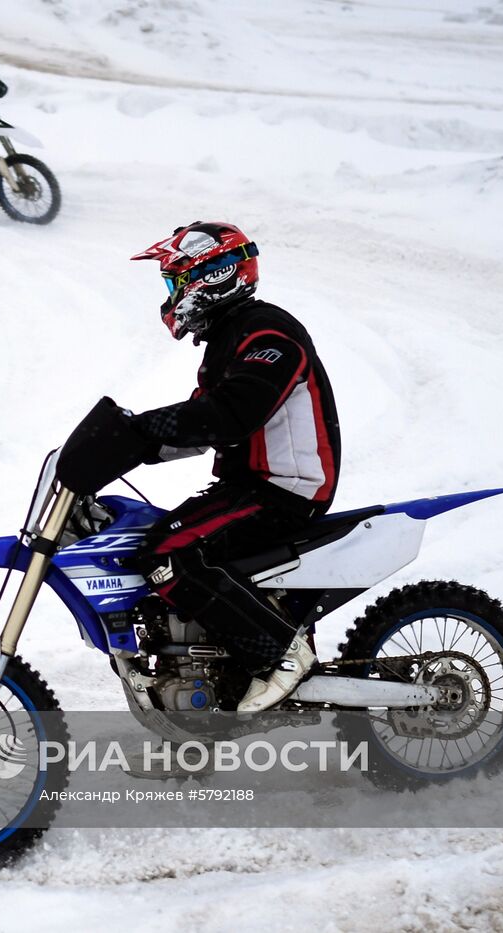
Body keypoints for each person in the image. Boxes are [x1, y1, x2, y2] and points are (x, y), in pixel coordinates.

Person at [126, 221, 341, 713]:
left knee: (168, 552)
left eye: (174, 280)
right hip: (252, 486)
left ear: (212, 275)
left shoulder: (269, 332)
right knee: (151, 538)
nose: (171, 293)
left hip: (284, 490)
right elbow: (201, 427)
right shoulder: (229, 338)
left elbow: (230, 415)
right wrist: (125, 445)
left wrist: (144, 431)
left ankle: (282, 656)